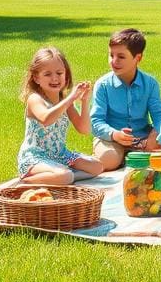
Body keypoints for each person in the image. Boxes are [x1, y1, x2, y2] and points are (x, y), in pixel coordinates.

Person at [16, 46, 103, 185]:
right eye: (47, 74)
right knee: (65, 175)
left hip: (60, 155)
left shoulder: (65, 102)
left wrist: (85, 101)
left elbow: (84, 129)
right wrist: (71, 98)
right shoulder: (35, 99)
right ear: (36, 78)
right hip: (35, 157)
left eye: (59, 73)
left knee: (97, 167)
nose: (55, 78)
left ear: (66, 76)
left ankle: (60, 177)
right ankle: (25, 182)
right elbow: (46, 119)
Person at [90, 28, 161, 169]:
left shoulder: (150, 84)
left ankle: (134, 158)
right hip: (112, 139)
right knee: (108, 159)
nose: (114, 61)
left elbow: (160, 115)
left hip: (143, 139)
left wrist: (160, 134)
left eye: (121, 57)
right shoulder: (103, 85)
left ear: (137, 58)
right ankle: (129, 158)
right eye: (111, 55)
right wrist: (114, 134)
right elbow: (95, 121)